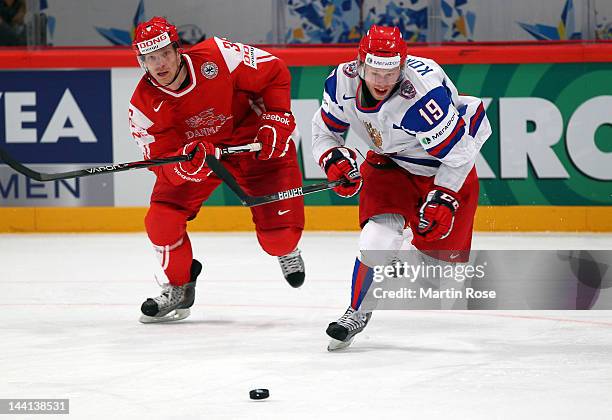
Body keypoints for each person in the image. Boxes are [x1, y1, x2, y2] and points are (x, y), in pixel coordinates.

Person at [312, 25, 491, 350]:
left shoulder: (423, 97)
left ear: (402, 66)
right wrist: (332, 158)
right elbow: (323, 130)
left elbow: (460, 155)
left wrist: (445, 197)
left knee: (438, 278)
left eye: (390, 72)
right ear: (360, 63)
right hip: (389, 164)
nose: (381, 81)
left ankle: (403, 250)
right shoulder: (342, 81)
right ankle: (357, 310)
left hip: (442, 168)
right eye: (374, 71)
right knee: (374, 242)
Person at [129, 17, 306, 323]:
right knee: (161, 220)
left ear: (177, 50)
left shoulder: (219, 56)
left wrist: (276, 116)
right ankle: (179, 286)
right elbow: (159, 160)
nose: (159, 64)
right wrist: (184, 165)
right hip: (200, 159)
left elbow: (274, 70)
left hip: (250, 143)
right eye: (150, 58)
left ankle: (286, 249)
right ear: (141, 61)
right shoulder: (143, 105)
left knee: (279, 239)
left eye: (164, 54)